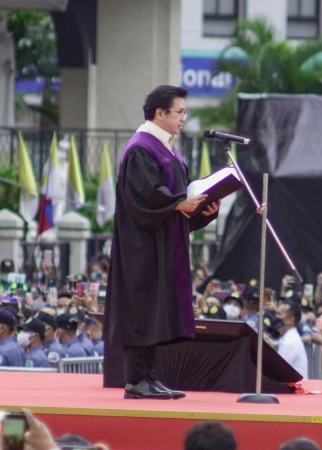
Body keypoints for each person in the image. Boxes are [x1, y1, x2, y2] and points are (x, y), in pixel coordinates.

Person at [104, 85, 220, 400]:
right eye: (179, 112)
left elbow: (173, 205)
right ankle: (136, 381)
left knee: (154, 312)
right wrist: (179, 202)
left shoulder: (166, 148)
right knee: (142, 311)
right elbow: (143, 200)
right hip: (141, 249)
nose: (185, 118)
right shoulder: (141, 148)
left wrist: (202, 211)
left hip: (163, 246)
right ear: (160, 113)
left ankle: (150, 378)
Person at [276, 300, 308, 379]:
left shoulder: (290, 342)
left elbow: (278, 371)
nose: (275, 317)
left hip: (295, 389)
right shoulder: (288, 338)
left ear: (290, 320)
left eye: (279, 314)